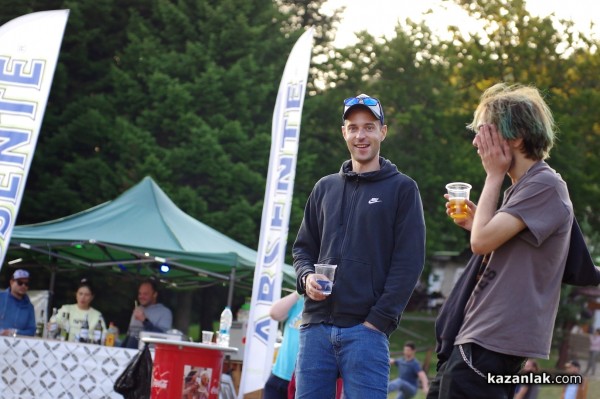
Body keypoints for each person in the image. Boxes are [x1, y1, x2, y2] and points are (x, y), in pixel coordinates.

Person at [427, 83, 574, 399]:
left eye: (485, 132)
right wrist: (478, 222)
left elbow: (480, 244)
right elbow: (493, 242)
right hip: (477, 336)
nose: (476, 142)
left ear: (517, 137)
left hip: (493, 339)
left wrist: (492, 176)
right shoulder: (522, 189)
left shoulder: (545, 185)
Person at [293, 93, 426, 398]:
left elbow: (409, 263)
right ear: (344, 133)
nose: (360, 135)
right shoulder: (324, 187)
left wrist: (378, 321)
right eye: (353, 128)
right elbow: (303, 249)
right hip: (315, 328)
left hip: (365, 333)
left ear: (383, 131)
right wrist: (306, 278)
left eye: (368, 127)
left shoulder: (402, 189)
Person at [263, 291, 304, 399]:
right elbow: (274, 313)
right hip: (280, 375)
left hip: (305, 381)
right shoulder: (299, 301)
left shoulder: (329, 305)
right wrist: (299, 291)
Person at [123, 279, 172, 348]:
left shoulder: (165, 312)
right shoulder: (138, 309)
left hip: (148, 355)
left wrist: (144, 320)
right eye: (140, 293)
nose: (141, 297)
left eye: (145, 294)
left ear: (155, 294)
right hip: (130, 354)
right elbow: (130, 335)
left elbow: (163, 337)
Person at [0, 269, 35, 336]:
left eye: (26, 284)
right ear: (11, 282)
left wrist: (14, 332)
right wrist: (1, 332)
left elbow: (31, 331)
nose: (23, 286)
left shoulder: (29, 307)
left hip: (17, 344)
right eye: (20, 282)